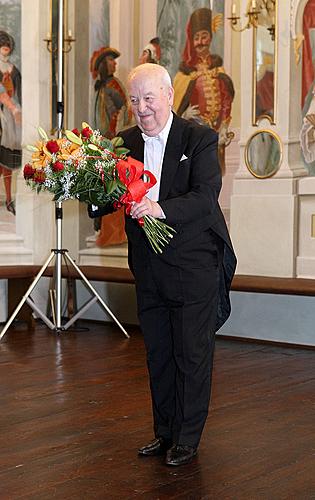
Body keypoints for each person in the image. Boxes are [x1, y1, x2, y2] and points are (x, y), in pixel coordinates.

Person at [89, 63, 236, 466]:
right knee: (158, 353)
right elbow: (104, 199)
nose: (141, 108)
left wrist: (159, 208)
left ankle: (187, 439)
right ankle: (165, 432)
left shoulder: (199, 138)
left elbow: (206, 198)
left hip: (194, 266)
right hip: (149, 268)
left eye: (148, 98)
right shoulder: (124, 142)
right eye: (135, 100)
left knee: (191, 355)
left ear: (169, 96)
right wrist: (82, 183)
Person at [173, 7, 234, 172]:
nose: (200, 42)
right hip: (194, 134)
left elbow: (227, 99)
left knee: (214, 176)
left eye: (204, 36)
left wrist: (224, 126)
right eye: (197, 38)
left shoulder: (218, 69)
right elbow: (175, 107)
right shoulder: (184, 73)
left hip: (216, 135)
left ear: (210, 38)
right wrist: (184, 116)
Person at [90, 46, 132, 245]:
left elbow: (124, 110)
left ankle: (115, 233)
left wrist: (114, 134)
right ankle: (104, 230)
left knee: (114, 186)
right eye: (111, 60)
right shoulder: (100, 87)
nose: (115, 63)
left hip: (113, 144)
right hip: (103, 145)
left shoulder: (115, 85)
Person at [0, 31, 22, 216]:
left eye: (7, 44)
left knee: (6, 160)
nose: (5, 47)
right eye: (2, 44)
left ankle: (8, 198)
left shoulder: (13, 69)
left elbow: (18, 93)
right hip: (3, 112)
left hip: (9, 118)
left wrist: (16, 109)